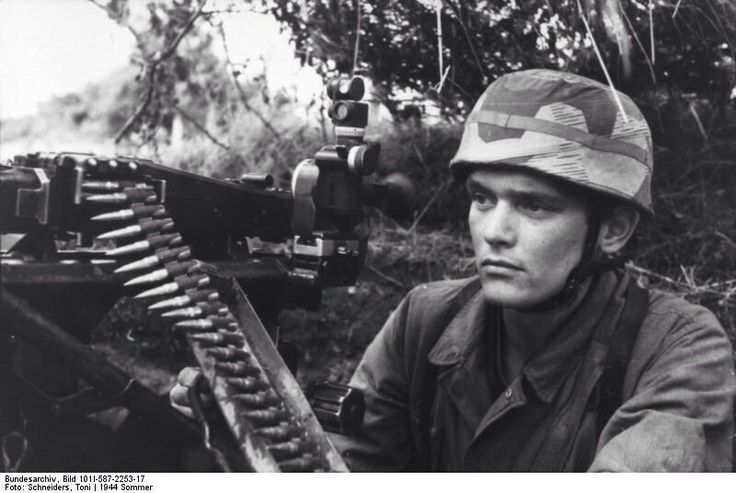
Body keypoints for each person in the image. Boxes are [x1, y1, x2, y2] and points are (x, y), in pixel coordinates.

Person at [172, 69, 736, 472]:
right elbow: (346, 469)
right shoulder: (427, 318)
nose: (495, 231)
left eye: (534, 205)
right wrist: (246, 436)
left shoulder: (677, 347)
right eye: (482, 198)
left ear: (612, 230)